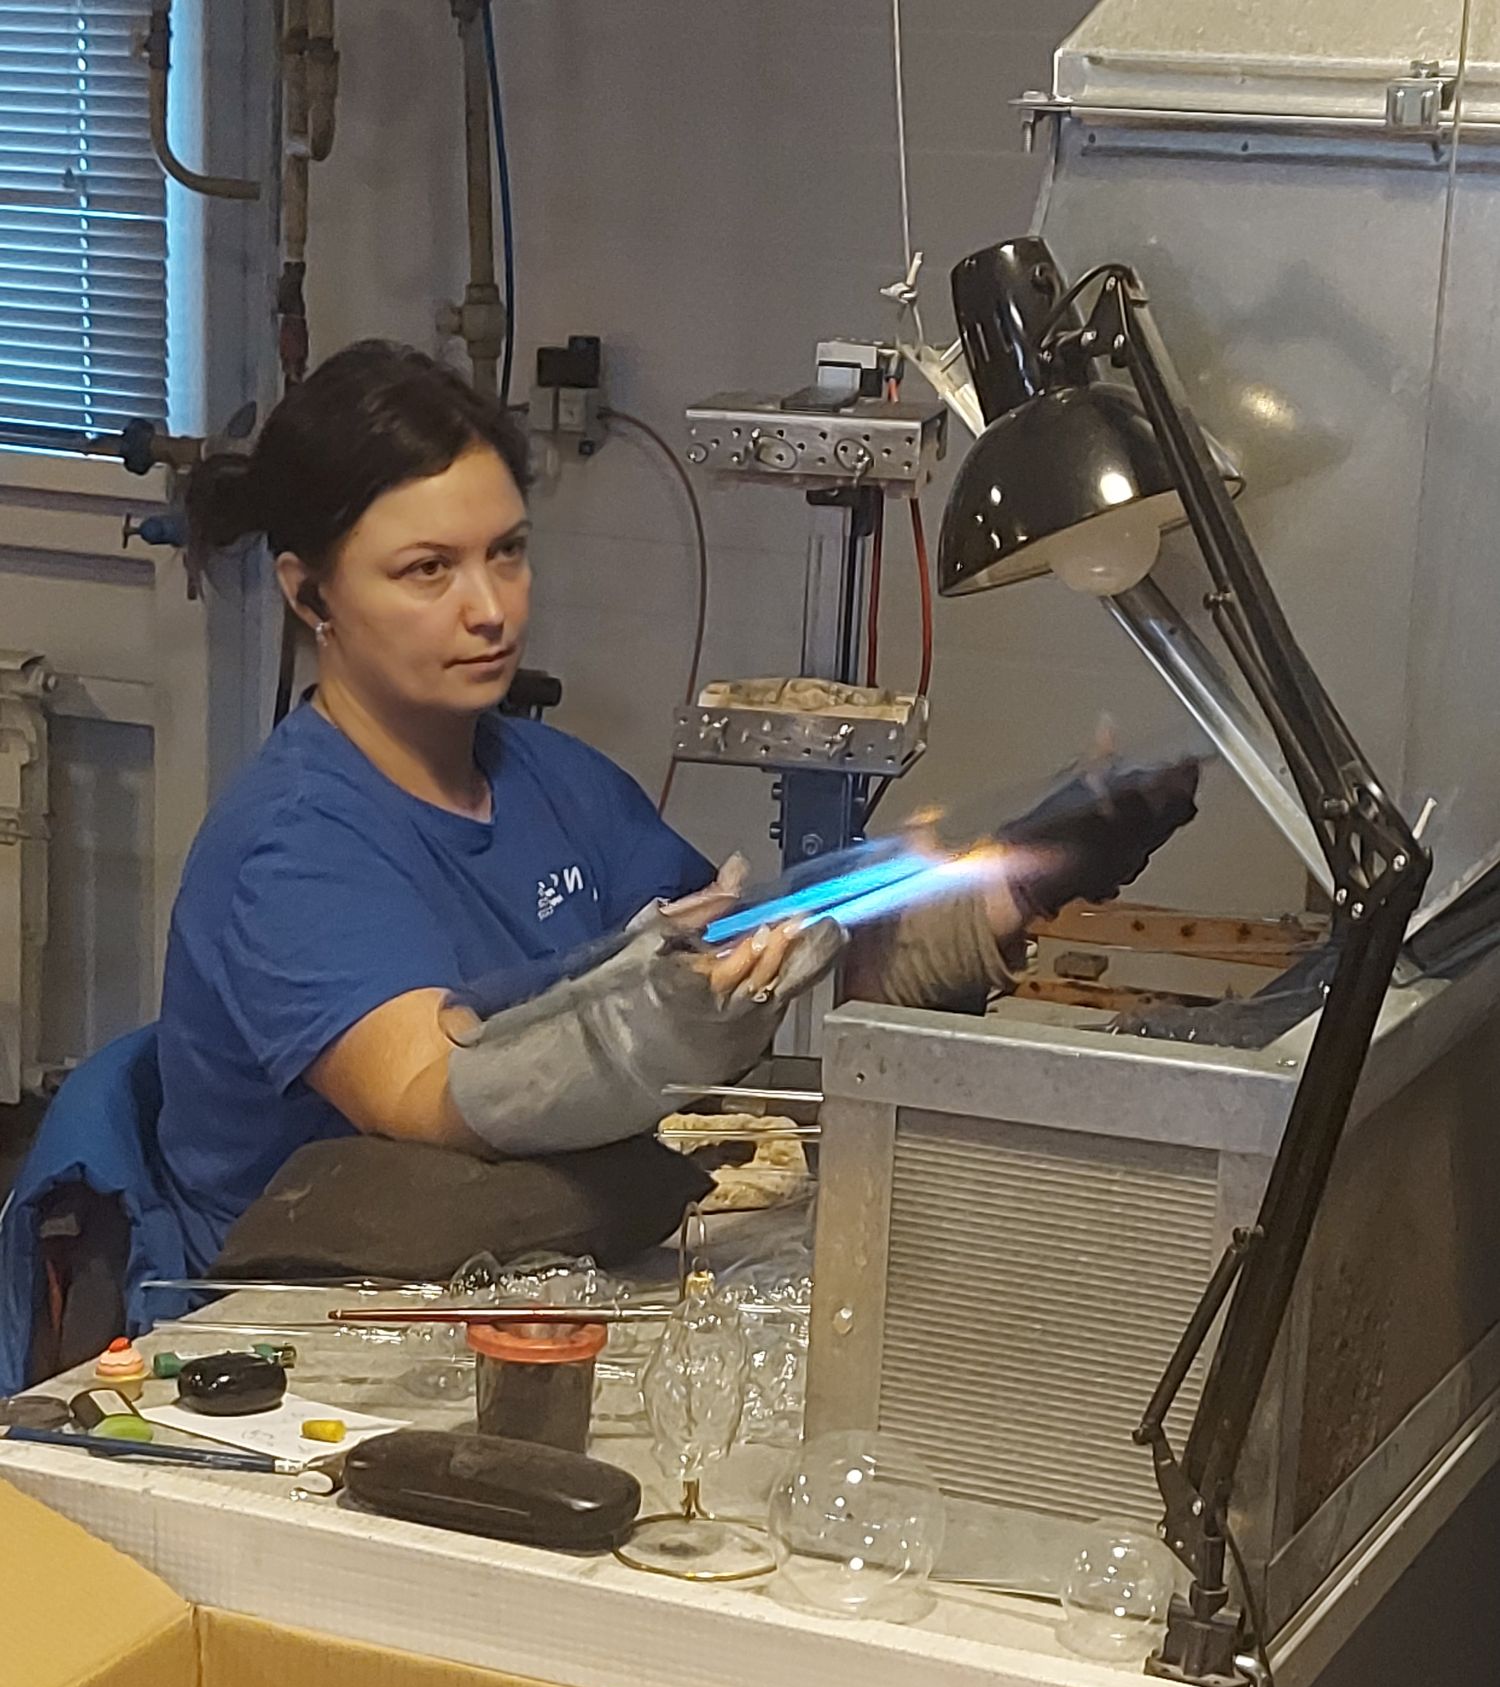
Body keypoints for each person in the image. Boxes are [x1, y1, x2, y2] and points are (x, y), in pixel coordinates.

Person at [153, 340, 1195, 1277]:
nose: (491, 608)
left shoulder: (554, 778)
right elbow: (430, 1093)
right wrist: (656, 1023)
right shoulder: (293, 845)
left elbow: (771, 961)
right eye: (429, 570)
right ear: (310, 594)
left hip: (532, 1266)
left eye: (507, 552)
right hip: (301, 1328)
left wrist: (1018, 876)